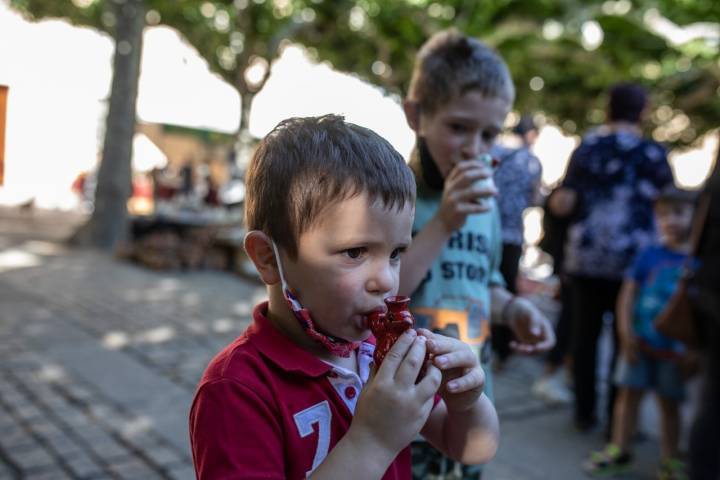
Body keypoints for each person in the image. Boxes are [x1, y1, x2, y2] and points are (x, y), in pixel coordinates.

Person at [189, 114, 503, 479]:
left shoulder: (380, 356)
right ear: (267, 258)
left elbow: (472, 448)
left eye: (396, 253)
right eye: (355, 252)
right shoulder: (236, 390)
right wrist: (372, 440)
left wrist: (466, 403)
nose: (386, 280)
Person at [398, 30, 556, 479]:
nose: (474, 148)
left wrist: (516, 309)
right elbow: (384, 289)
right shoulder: (394, 198)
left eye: (489, 134)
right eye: (458, 127)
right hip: (409, 410)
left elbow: (483, 284)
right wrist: (443, 221)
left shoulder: (481, 208)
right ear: (416, 115)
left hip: (468, 401)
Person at [549, 83, 674, 434]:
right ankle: (618, 422)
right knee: (625, 341)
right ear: (643, 110)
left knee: (584, 336)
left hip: (587, 258)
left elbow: (566, 202)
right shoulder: (653, 153)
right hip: (635, 264)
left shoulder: (588, 148)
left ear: (609, 109)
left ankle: (583, 413)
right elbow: (668, 206)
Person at [583, 185, 696, 479]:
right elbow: (627, 294)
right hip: (639, 343)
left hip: (675, 350)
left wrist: (695, 350)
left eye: (680, 213)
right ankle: (620, 448)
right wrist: (624, 332)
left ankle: (670, 458)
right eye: (663, 215)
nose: (671, 221)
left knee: (669, 404)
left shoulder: (698, 263)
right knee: (627, 397)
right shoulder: (649, 255)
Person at [490, 114, 543, 368]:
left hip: (485, 229)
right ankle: (503, 349)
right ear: (531, 134)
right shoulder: (531, 161)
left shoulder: (494, 151)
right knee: (506, 287)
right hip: (511, 234)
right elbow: (534, 199)